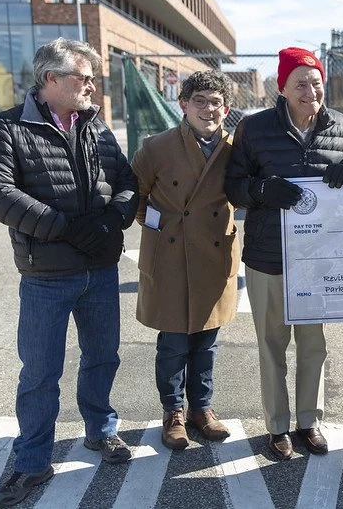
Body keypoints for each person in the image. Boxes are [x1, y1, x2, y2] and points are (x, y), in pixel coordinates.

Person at [0, 38, 138, 507]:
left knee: (102, 356)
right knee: (41, 373)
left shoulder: (95, 126)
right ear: (51, 79)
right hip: (46, 274)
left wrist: (111, 221)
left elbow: (126, 182)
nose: (91, 86)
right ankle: (32, 461)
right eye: (83, 78)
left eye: (92, 79)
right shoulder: (9, 127)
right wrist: (65, 228)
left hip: (100, 271)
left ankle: (100, 430)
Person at [224, 47, 343, 460]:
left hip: (320, 258)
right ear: (282, 88)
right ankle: (277, 426)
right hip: (269, 255)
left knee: (313, 343)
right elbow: (234, 186)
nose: (310, 91)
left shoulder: (342, 127)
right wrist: (262, 190)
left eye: (316, 82)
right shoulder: (254, 129)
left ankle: (308, 421)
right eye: (300, 83)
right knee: (272, 344)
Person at [131, 70, 241, 450]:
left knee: (207, 341)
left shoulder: (235, 148)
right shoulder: (157, 147)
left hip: (214, 253)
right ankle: (173, 412)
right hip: (171, 255)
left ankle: (202, 409)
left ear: (226, 108)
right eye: (200, 101)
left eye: (216, 103)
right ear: (183, 105)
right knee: (174, 341)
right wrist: (157, 225)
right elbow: (134, 194)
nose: (208, 109)